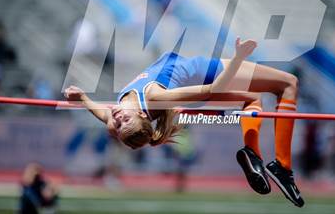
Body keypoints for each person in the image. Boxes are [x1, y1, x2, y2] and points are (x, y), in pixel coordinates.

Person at [64, 37, 304, 207]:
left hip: (195, 88)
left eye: (118, 123)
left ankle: (253, 154)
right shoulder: (153, 96)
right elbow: (214, 88)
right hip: (206, 74)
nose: (117, 117)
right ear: (142, 116)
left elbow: (100, 113)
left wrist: (82, 97)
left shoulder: (115, 119)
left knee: (251, 100)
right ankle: (282, 166)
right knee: (288, 84)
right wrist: (239, 57)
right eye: (124, 119)